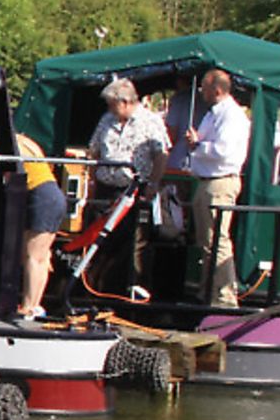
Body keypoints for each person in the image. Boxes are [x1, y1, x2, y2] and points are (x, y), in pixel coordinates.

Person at [85, 78, 169, 296]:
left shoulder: (150, 121)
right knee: (101, 242)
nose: (109, 109)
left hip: (132, 190)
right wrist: (92, 182)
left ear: (124, 102)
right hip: (105, 189)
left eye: (112, 104)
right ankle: (96, 290)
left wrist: (153, 183)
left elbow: (161, 154)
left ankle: (127, 293)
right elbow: (93, 150)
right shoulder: (106, 120)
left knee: (131, 246)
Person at [184, 69, 249, 306]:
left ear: (217, 90)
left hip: (220, 181)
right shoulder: (213, 115)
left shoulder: (231, 116)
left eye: (204, 87)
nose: (201, 91)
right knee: (206, 241)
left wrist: (198, 144)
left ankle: (224, 296)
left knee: (217, 240)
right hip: (206, 181)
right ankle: (208, 290)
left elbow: (224, 150)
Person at [17, 132, 65, 318]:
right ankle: (35, 305)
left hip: (41, 197)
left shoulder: (14, 145)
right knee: (42, 256)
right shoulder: (28, 142)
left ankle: (28, 307)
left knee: (32, 256)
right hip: (54, 194)